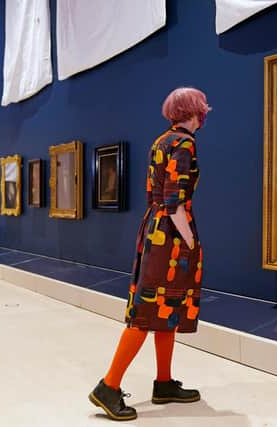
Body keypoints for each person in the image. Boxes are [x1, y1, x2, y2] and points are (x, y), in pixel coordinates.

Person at [88, 87, 211, 421]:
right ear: (193, 111)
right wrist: (189, 241)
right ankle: (108, 385)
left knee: (164, 307)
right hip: (169, 235)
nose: (205, 114)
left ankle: (164, 382)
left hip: (154, 228)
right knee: (146, 311)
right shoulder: (184, 143)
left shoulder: (162, 140)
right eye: (202, 108)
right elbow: (174, 202)